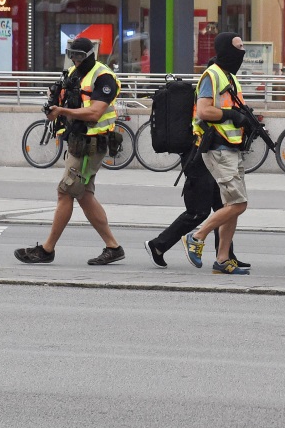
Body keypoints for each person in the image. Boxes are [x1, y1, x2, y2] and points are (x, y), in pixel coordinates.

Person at [15, 37, 126, 265]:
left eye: (78, 55)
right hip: (78, 141)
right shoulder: (74, 74)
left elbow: (95, 113)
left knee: (65, 192)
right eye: (71, 55)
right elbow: (65, 103)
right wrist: (53, 106)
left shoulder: (103, 77)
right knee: (84, 196)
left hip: (92, 143)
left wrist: (61, 110)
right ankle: (113, 247)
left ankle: (46, 250)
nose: (74, 59)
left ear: (89, 55)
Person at [181, 32, 253, 275]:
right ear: (225, 49)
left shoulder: (228, 76)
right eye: (238, 47)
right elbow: (203, 111)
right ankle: (196, 236)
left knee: (231, 204)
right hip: (217, 148)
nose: (242, 52)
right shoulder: (212, 75)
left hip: (230, 148)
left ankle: (223, 259)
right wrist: (232, 116)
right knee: (239, 204)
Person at [143, 140, 245, 269]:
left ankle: (225, 256)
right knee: (198, 211)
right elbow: (204, 122)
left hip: (208, 152)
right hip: (198, 154)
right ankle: (158, 245)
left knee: (224, 207)